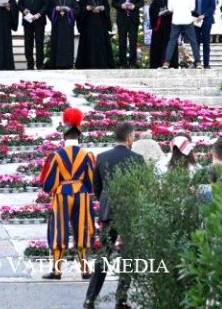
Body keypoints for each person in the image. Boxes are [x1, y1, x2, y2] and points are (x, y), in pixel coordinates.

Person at [84, 122, 145, 309]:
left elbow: (97, 186)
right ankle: (121, 299)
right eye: (133, 136)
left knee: (104, 254)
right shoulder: (137, 159)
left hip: (108, 211)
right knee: (128, 256)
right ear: (129, 138)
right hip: (129, 211)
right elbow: (142, 186)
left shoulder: (102, 157)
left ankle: (90, 298)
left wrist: (105, 203)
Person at [40, 108, 95, 280]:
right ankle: (85, 270)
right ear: (79, 136)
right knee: (83, 229)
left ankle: (57, 271)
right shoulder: (88, 155)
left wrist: (58, 188)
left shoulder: (56, 155)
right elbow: (92, 181)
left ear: (64, 136)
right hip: (82, 193)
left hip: (63, 193)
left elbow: (49, 184)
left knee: (59, 229)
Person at [161, 0, 201, 69]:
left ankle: (166, 62)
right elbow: (192, 8)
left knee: (172, 41)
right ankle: (198, 62)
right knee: (193, 41)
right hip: (187, 19)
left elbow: (170, 8)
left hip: (176, 20)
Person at [76, 0, 114, 69]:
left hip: (101, 27)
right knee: (88, 46)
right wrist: (86, 8)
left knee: (101, 46)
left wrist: (102, 8)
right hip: (88, 27)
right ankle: (87, 65)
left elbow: (108, 9)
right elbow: (78, 9)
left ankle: (102, 64)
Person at [111, 0, 144, 68]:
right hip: (122, 19)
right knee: (122, 42)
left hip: (133, 19)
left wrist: (134, 6)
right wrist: (121, 6)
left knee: (133, 42)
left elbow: (141, 2)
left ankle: (132, 63)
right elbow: (113, 3)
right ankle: (122, 64)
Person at [17, 0, 49, 70]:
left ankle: (39, 64)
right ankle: (29, 64)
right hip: (27, 20)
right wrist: (24, 10)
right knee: (28, 43)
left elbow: (46, 4)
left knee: (39, 43)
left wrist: (38, 14)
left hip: (39, 20)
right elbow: (19, 4)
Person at [47, 0, 78, 69]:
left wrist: (70, 10)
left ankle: (68, 63)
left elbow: (77, 10)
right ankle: (56, 64)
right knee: (57, 43)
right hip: (57, 25)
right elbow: (48, 10)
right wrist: (54, 9)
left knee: (67, 44)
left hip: (67, 26)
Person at [148, 0, 178, 68]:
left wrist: (170, 12)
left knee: (170, 44)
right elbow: (152, 11)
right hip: (159, 27)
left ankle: (171, 63)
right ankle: (157, 63)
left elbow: (177, 10)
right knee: (158, 45)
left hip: (170, 26)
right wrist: (159, 12)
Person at [193, 0, 216, 68]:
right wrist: (196, 15)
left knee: (206, 42)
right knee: (196, 42)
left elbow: (212, 6)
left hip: (206, 20)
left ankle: (206, 64)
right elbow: (190, 6)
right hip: (195, 20)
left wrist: (204, 15)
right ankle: (197, 63)